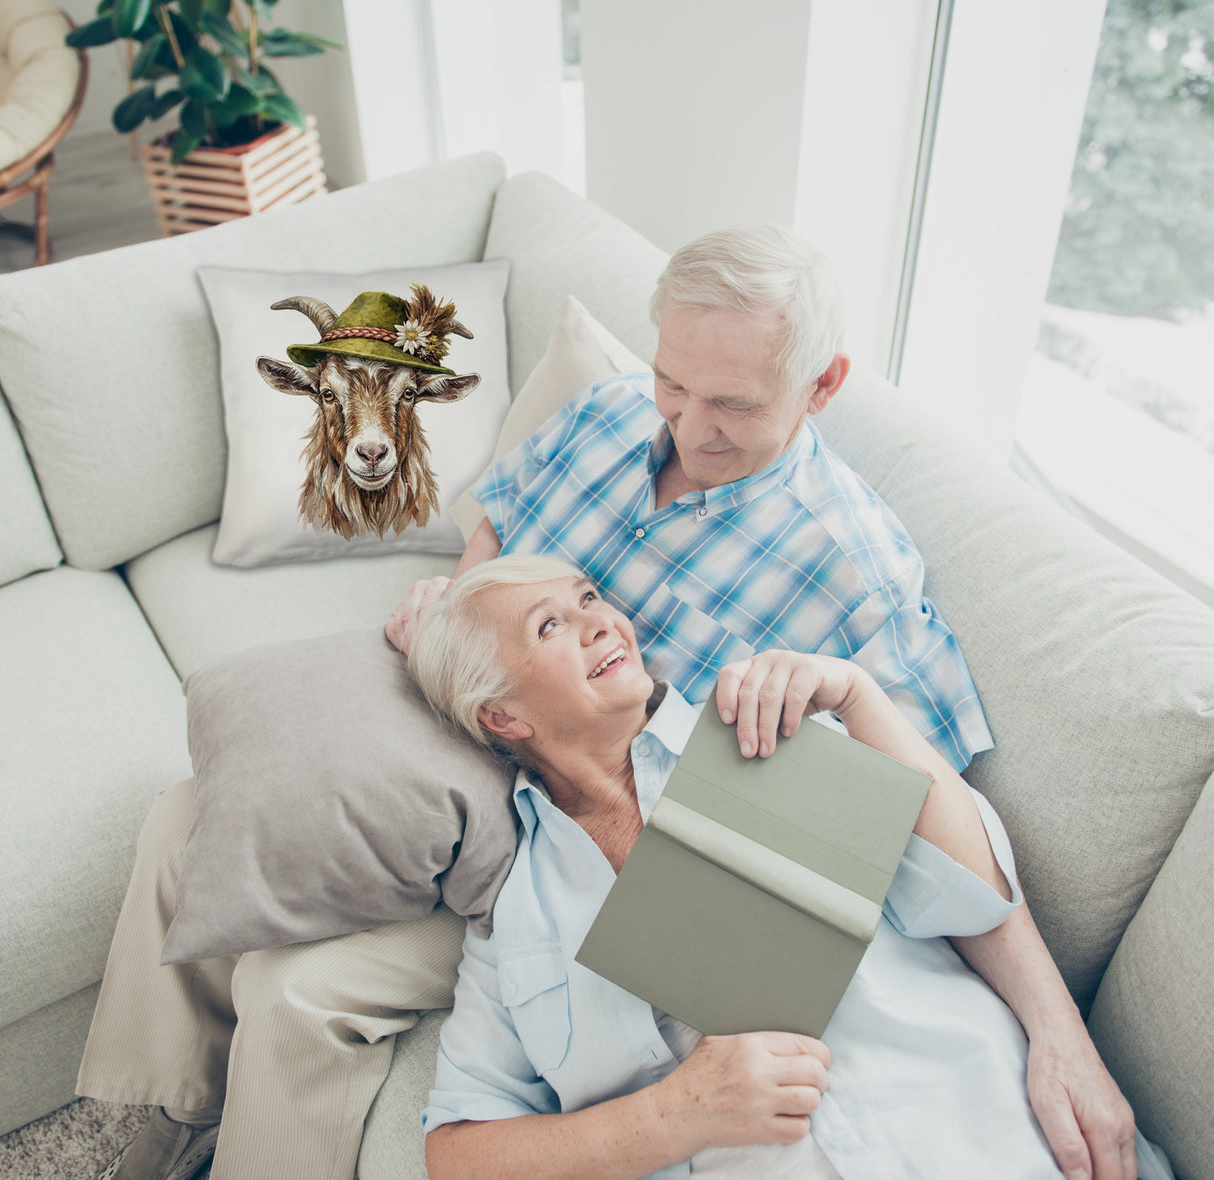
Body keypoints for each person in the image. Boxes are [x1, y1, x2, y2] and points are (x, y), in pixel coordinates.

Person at [79, 226, 1131, 1180]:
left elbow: (927, 821)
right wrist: (457, 609)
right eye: (675, 382)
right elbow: (498, 526)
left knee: (300, 989)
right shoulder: (608, 413)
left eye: (732, 404)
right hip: (485, 711)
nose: (687, 423)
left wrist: (1057, 1029)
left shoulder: (853, 573)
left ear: (820, 386)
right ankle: (159, 1116)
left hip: (576, 817)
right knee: (192, 812)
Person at [407, 554, 1158, 1180]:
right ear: (502, 716)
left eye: (589, 598)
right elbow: (458, 1152)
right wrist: (674, 1115)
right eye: (550, 625)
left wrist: (858, 697)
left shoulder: (761, 727)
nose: (601, 620)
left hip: (987, 1131)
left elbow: (973, 895)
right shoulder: (516, 918)